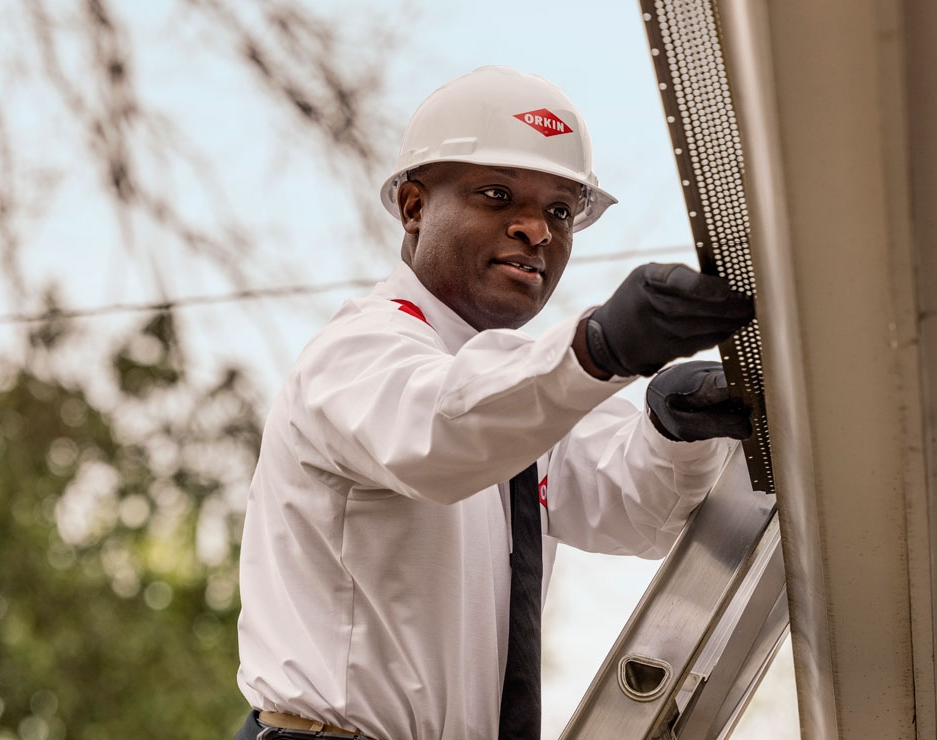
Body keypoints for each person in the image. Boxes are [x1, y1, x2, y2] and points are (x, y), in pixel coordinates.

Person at [233, 66, 755, 740]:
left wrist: (673, 430)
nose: (537, 231)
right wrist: (598, 349)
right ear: (415, 208)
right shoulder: (357, 354)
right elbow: (439, 434)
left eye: (561, 211)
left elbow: (634, 515)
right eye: (497, 195)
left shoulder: (519, 393)